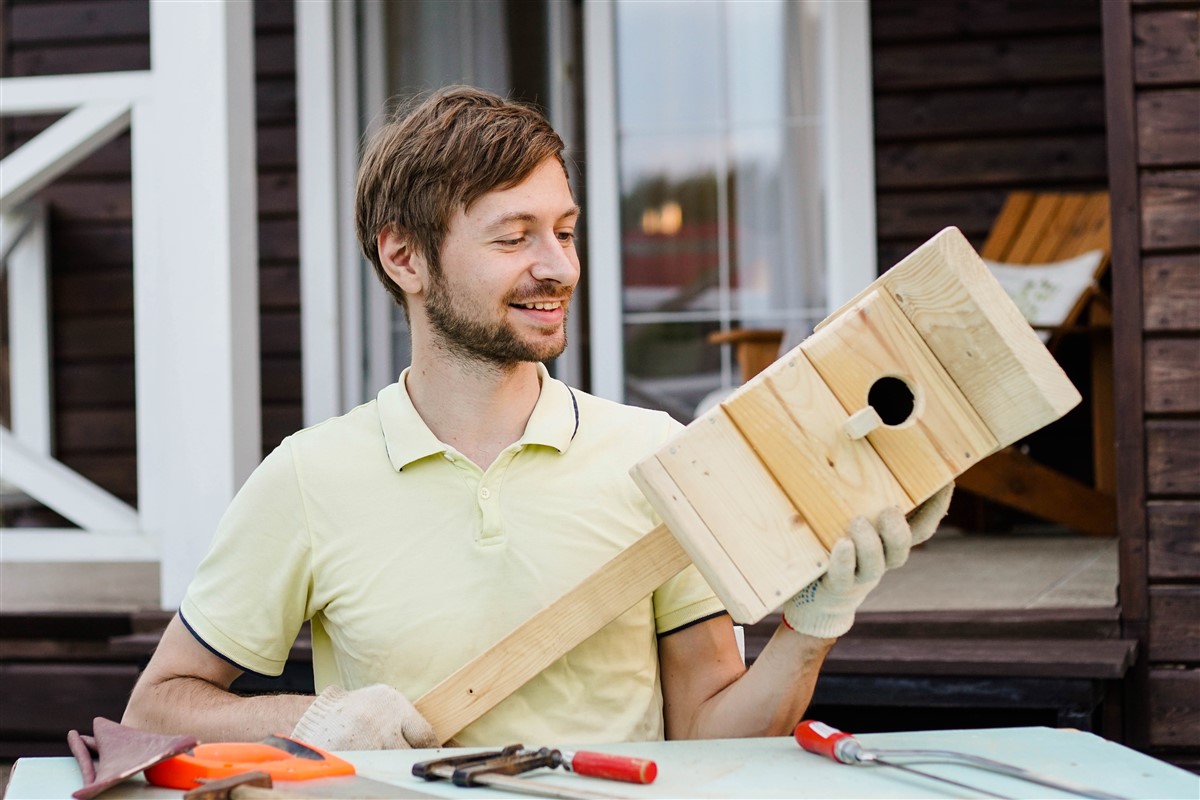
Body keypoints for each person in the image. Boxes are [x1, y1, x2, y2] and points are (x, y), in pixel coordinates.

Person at [122, 86, 952, 750]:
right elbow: (156, 707)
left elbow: (711, 731)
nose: (557, 267)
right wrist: (310, 721)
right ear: (403, 256)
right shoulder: (308, 475)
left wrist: (814, 624)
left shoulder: (655, 454)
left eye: (564, 231)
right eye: (515, 237)